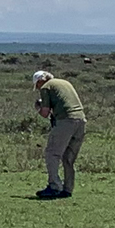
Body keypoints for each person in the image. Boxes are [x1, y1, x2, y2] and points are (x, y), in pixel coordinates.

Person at [32, 69, 87, 199]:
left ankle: (54, 186)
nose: (39, 88)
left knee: (52, 153)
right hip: (81, 120)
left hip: (65, 121)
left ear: (40, 81)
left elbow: (45, 113)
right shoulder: (65, 83)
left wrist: (38, 107)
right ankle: (68, 189)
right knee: (68, 158)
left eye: (37, 85)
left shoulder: (46, 87)